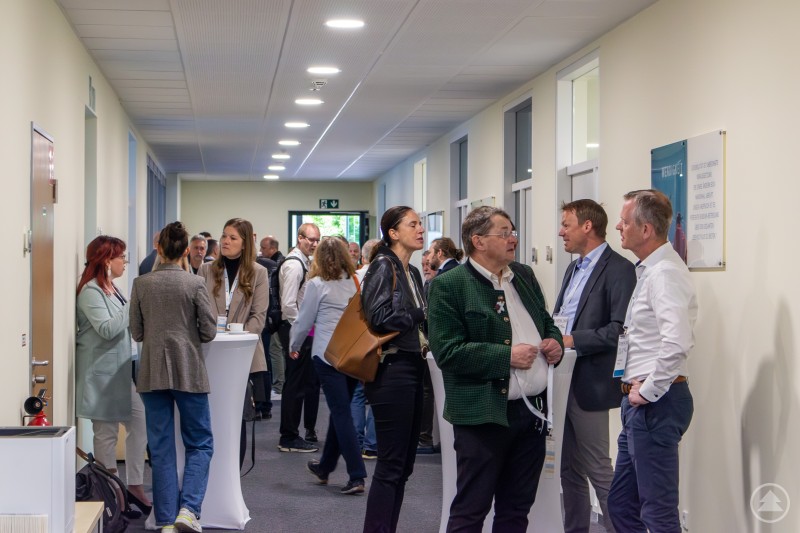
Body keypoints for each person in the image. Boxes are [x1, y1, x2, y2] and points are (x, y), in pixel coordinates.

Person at [428, 206, 563, 532]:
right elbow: (447, 352)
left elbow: (546, 321)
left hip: (531, 415)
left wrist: (553, 341)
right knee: (471, 510)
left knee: (516, 510)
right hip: (482, 416)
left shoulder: (524, 276)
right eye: (503, 233)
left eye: (512, 231)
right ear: (478, 240)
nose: (512, 239)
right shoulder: (450, 285)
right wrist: (506, 358)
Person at [607, 189, 696, 532]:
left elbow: (677, 342)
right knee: (621, 503)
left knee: (657, 511)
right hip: (639, 404)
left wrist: (648, 391)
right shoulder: (649, 270)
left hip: (655, 403)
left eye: (625, 221)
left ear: (645, 230)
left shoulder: (665, 274)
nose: (618, 226)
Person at [553, 199, 636, 533]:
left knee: (600, 470)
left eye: (566, 225)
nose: (561, 232)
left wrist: (572, 340)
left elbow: (620, 329)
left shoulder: (620, 269)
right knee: (569, 471)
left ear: (587, 226)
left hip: (591, 384)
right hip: (562, 378)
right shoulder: (572, 268)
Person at [129, 221, 217, 532]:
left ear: (160, 248)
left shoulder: (141, 284)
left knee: (161, 445)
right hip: (189, 370)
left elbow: (136, 332)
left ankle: (166, 517)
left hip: (152, 371)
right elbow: (209, 330)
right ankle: (189, 509)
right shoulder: (194, 285)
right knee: (200, 443)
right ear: (184, 251)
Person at [361, 206, 427, 533]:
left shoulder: (412, 272)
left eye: (421, 224)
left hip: (413, 367)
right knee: (390, 465)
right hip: (391, 370)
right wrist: (418, 313)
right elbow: (378, 317)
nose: (420, 229)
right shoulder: (382, 266)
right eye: (412, 224)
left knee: (403, 466)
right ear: (393, 232)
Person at [75, 236, 151, 513]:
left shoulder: (112, 289)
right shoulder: (89, 292)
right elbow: (107, 329)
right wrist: (132, 305)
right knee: (105, 435)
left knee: (140, 421)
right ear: (107, 261)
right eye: (121, 257)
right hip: (101, 375)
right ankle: (112, 494)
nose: (125, 262)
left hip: (119, 372)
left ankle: (134, 485)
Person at [290, 237, 368, 494]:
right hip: (352, 356)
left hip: (326, 357)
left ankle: (357, 475)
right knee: (340, 409)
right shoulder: (356, 282)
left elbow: (304, 321)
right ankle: (324, 467)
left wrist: (294, 345)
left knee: (341, 412)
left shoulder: (316, 285)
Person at [277, 223, 322, 452]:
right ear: (300, 237)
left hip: (299, 330)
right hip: (294, 330)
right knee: (295, 384)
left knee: (299, 383)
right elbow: (288, 305)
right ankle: (289, 436)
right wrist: (300, 332)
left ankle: (290, 433)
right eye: (310, 239)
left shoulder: (304, 261)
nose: (314, 244)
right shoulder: (295, 265)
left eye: (317, 240)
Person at [352, 238, 382, 460]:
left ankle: (355, 442)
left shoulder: (355, 278)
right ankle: (371, 445)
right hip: (379, 339)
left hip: (358, 340)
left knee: (358, 393)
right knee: (376, 392)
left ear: (363, 256)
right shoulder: (387, 277)